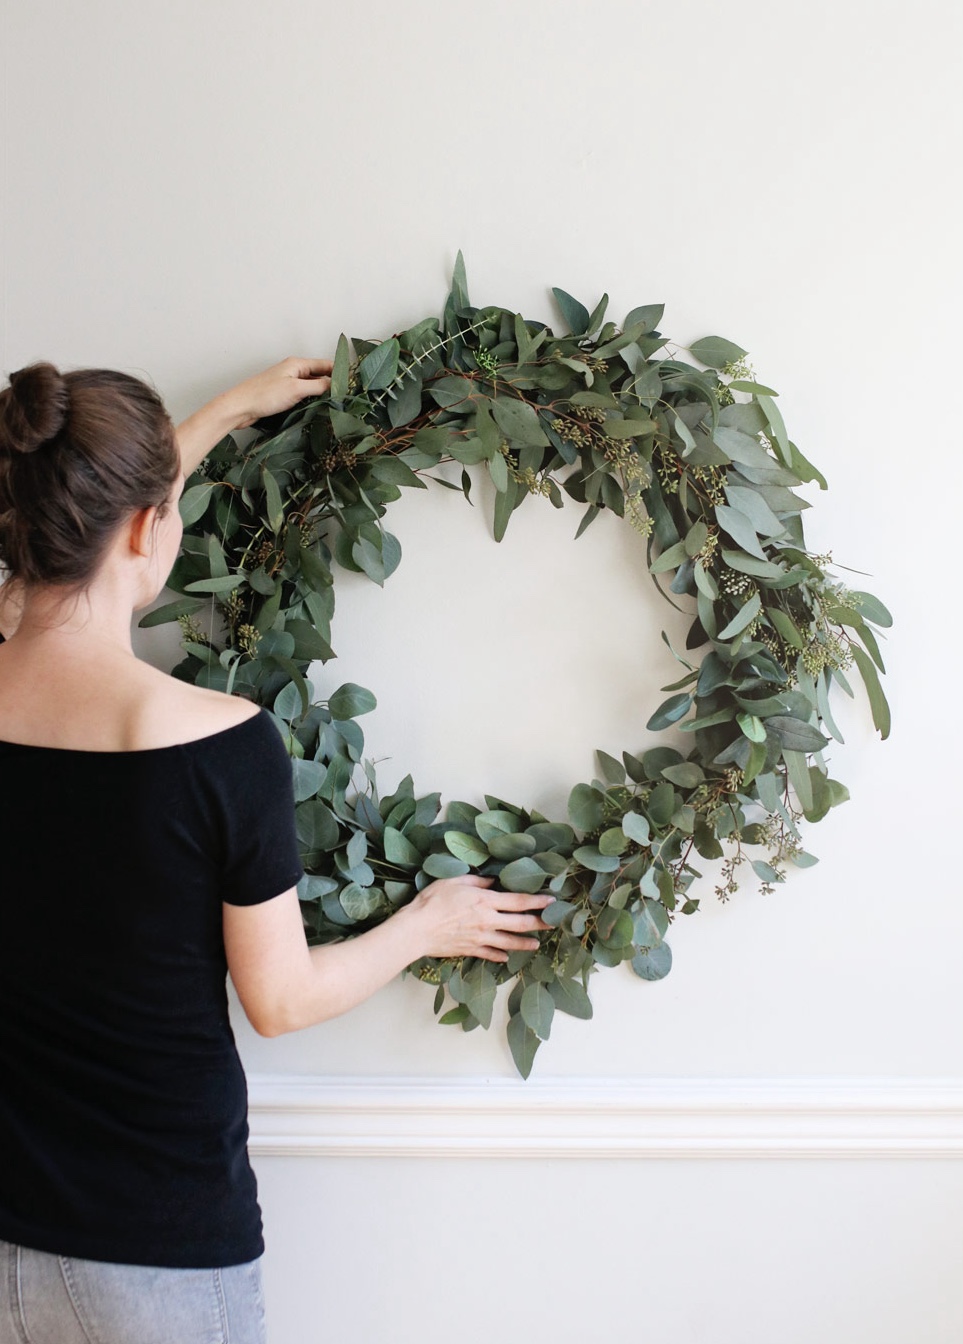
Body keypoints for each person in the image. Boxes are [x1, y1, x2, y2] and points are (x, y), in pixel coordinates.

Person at [0, 358, 552, 1344]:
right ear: (145, 527)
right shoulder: (220, 746)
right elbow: (281, 999)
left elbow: (84, 543)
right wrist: (427, 921)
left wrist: (215, 417)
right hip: (155, 1250)